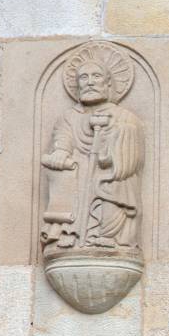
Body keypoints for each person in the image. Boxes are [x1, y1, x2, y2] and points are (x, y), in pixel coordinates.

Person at [41, 44, 144, 253]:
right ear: (77, 85)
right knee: (71, 178)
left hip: (109, 176)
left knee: (112, 185)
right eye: (83, 77)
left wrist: (112, 136)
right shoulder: (69, 117)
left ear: (108, 84)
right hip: (78, 175)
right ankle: (70, 233)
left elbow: (131, 156)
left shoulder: (124, 117)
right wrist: (61, 153)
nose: (89, 82)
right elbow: (63, 139)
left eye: (96, 76)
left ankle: (106, 236)